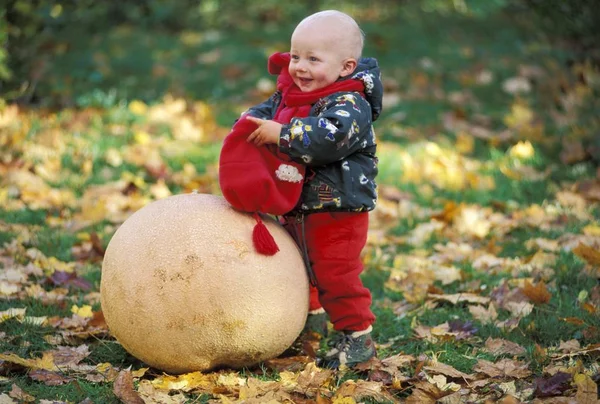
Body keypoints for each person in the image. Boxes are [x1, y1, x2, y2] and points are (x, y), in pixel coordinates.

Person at [223, 10, 383, 368]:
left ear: (345, 67)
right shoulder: (291, 94)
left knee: (335, 273)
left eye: (313, 59)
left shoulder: (351, 103)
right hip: (298, 204)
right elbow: (267, 109)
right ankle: (305, 321)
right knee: (299, 266)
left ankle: (357, 336)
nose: (299, 67)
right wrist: (247, 123)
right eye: (295, 56)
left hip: (337, 209)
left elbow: (329, 137)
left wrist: (282, 133)